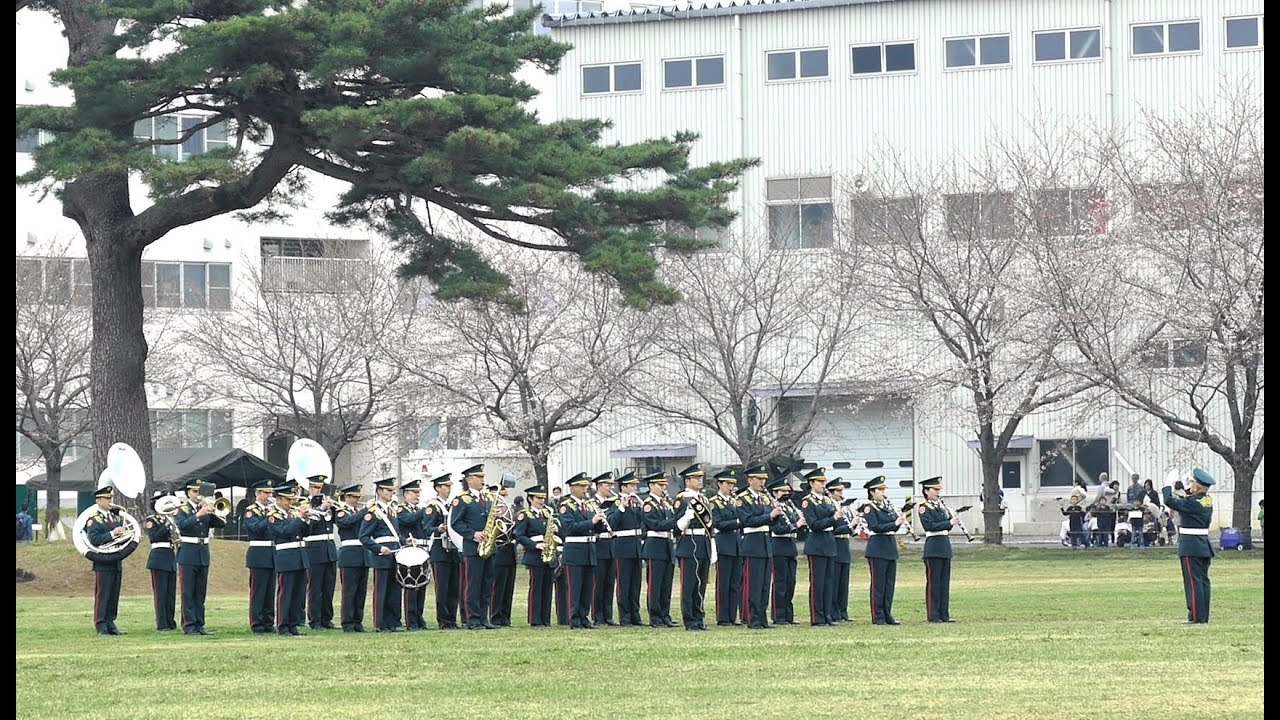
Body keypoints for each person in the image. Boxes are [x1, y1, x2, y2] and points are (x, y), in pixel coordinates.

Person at [173, 478, 225, 636]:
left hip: (203, 552)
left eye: (199, 491)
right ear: (188, 492)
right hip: (188, 552)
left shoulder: (205, 507)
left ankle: (199, 623)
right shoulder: (182, 509)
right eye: (195, 491)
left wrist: (213, 511)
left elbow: (221, 524)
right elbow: (182, 526)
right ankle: (189, 624)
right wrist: (198, 514)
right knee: (188, 591)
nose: (198, 495)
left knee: (200, 592)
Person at [1163, 468, 1215, 624]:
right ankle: (1203, 615)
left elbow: (1169, 501)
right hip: (1203, 545)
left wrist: (1168, 485)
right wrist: (1185, 488)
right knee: (1203, 581)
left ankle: (1196, 616)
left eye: (1191, 483)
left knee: (1193, 582)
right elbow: (1188, 499)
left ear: (1197, 487)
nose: (1189, 485)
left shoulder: (1192, 502)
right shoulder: (1206, 500)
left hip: (1191, 545)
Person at [450, 464, 498, 630]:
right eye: (479, 477)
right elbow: (455, 523)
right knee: (473, 584)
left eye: (483, 477)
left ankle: (484, 618)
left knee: (487, 584)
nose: (483, 480)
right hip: (473, 548)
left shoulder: (490, 498)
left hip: (489, 547)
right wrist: (473, 534)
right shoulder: (462, 499)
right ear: (469, 480)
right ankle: (473, 619)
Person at [738, 464, 781, 629]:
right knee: (752, 585)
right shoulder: (743, 499)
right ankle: (752, 618)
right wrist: (769, 515)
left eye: (764, 479)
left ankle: (762, 617)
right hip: (752, 543)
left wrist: (776, 515)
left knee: (764, 584)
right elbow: (747, 521)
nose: (763, 482)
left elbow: (770, 521)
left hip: (765, 544)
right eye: (759, 479)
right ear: (750, 480)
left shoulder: (764, 498)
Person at [359, 477, 405, 632]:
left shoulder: (392, 510)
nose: (391, 492)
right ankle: (380, 622)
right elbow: (363, 537)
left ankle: (393, 621)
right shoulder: (373, 512)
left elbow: (397, 535)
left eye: (392, 490)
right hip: (382, 555)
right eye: (388, 490)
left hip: (395, 553)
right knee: (382, 589)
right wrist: (378, 549)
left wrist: (407, 542)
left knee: (394, 589)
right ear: (379, 491)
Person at [557, 472, 602, 629]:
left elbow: (596, 527)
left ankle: (584, 616)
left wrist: (601, 521)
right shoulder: (566, 507)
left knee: (587, 587)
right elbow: (569, 528)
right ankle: (574, 618)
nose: (585, 489)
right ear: (573, 488)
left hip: (589, 549)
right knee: (575, 587)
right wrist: (592, 521)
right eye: (582, 486)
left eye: (586, 486)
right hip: (575, 550)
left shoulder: (589, 505)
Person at [672, 463, 713, 631]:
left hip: (703, 542)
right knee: (689, 584)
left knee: (701, 584)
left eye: (701, 478)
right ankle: (689, 619)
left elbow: (710, 524)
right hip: (689, 543)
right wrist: (687, 517)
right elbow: (677, 526)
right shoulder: (683, 499)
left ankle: (699, 616)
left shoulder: (703, 499)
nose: (700, 480)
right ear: (687, 481)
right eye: (696, 478)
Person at [269, 480, 310, 636]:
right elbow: (285, 532)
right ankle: (283, 625)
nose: (290, 502)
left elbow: (305, 533)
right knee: (285, 592)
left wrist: (306, 520)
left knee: (298, 593)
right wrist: (300, 519)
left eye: (292, 499)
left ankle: (293, 624)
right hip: (286, 556)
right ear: (278, 499)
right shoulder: (273, 516)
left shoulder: (292, 514)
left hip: (300, 555)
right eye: (287, 499)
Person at [863, 475, 904, 625]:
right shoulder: (869, 508)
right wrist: (894, 524)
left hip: (889, 546)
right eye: (880, 489)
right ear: (872, 492)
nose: (883, 492)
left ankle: (887, 613)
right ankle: (878, 615)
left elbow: (892, 525)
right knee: (878, 584)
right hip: (877, 547)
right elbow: (875, 526)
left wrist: (898, 523)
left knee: (889, 584)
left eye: (884, 489)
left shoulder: (887, 506)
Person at [85, 485, 126, 635]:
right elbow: (94, 539)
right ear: (99, 500)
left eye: (111, 498)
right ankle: (100, 623)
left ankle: (110, 622)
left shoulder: (115, 517)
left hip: (116, 560)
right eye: (107, 499)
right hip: (103, 561)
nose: (110, 501)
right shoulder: (94, 519)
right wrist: (112, 533)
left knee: (114, 594)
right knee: (103, 594)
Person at [423, 473, 461, 630]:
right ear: (438, 488)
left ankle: (452, 618)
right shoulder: (433, 506)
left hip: (453, 549)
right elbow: (426, 528)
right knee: (442, 588)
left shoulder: (452, 504)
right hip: (440, 549)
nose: (448, 489)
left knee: (454, 587)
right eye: (445, 486)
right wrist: (438, 529)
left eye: (450, 486)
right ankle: (444, 620)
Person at [606, 471, 645, 626]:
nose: (635, 487)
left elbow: (644, 520)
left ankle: (635, 614)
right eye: (632, 485)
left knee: (636, 584)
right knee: (624, 583)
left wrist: (641, 504)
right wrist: (622, 507)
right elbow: (611, 523)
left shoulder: (636, 502)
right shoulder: (615, 503)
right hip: (622, 547)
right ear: (624, 487)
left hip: (636, 547)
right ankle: (625, 616)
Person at [917, 476, 957, 623]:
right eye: (935, 490)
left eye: (939, 489)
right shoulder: (924, 507)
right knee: (934, 583)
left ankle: (944, 614)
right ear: (927, 491)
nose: (938, 492)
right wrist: (949, 522)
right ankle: (933, 615)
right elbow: (930, 526)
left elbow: (945, 525)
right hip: (933, 546)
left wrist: (951, 521)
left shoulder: (941, 506)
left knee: (944, 583)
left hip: (944, 545)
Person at [801, 467, 837, 626]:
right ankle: (817, 616)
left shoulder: (828, 500)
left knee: (829, 582)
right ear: (812, 483)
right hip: (817, 543)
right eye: (820, 482)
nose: (824, 484)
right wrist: (832, 519)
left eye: (824, 481)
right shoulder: (807, 501)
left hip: (829, 542)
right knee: (818, 582)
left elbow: (834, 521)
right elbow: (814, 524)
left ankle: (827, 614)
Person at [641, 470, 678, 628]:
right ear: (651, 486)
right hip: (655, 545)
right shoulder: (649, 504)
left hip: (667, 545)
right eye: (661, 485)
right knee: (655, 584)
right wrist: (675, 523)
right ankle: (655, 616)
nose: (664, 488)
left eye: (665, 485)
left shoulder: (666, 503)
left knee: (666, 583)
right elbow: (654, 524)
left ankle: (665, 614)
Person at [514, 484, 554, 627]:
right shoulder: (525, 514)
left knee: (548, 587)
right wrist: (535, 545)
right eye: (538, 498)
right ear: (530, 499)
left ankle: (545, 619)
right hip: (535, 554)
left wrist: (556, 529)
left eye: (543, 498)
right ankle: (535, 619)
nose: (542, 500)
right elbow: (519, 536)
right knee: (536, 587)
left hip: (548, 553)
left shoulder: (548, 514)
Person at [303, 476, 338, 631]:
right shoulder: (304, 504)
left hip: (329, 549)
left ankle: (326, 618)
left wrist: (334, 507)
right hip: (314, 550)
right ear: (310, 488)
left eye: (320, 487)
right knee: (315, 588)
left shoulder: (327, 504)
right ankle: (315, 620)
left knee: (328, 587)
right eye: (315, 487)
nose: (318, 490)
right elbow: (309, 525)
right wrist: (321, 509)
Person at [768, 477, 805, 625]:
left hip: (790, 545)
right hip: (779, 545)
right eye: (783, 491)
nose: (787, 494)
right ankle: (779, 615)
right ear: (775, 493)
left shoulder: (789, 507)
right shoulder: (773, 507)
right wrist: (796, 524)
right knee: (780, 582)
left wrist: (800, 524)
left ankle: (788, 615)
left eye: (788, 491)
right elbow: (777, 528)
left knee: (791, 582)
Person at [242, 479, 277, 634]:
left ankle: (268, 622)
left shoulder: (273, 510)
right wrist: (268, 517)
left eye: (270, 492)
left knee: (270, 591)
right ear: (257, 494)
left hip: (272, 553)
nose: (269, 495)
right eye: (266, 492)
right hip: (258, 553)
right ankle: (257, 623)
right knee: (258, 591)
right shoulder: (251, 511)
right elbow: (255, 529)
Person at [332, 483, 368, 632]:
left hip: (363, 553)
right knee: (349, 590)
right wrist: (365, 510)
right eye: (354, 497)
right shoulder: (341, 511)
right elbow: (346, 522)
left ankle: (357, 621)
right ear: (346, 497)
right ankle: (347, 622)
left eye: (359, 497)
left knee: (361, 591)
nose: (357, 500)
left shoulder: (358, 511)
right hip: (349, 553)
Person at [709, 468, 743, 626]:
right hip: (724, 544)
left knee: (735, 582)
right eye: (728, 484)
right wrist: (736, 522)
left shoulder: (734, 501)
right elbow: (718, 523)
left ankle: (732, 615)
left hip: (736, 544)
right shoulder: (715, 502)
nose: (731, 487)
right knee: (723, 582)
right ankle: (722, 617)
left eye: (732, 484)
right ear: (719, 484)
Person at [395, 479, 430, 631]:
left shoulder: (418, 510)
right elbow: (409, 520)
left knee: (421, 585)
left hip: (421, 549)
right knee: (411, 585)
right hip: (408, 551)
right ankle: (411, 620)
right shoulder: (401, 509)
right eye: (414, 493)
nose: (417, 495)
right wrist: (424, 510)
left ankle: (419, 617)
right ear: (406, 494)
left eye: (418, 493)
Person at [143, 490, 178, 631]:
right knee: (160, 592)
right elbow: (154, 536)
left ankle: (170, 621)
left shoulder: (171, 519)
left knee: (170, 593)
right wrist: (167, 524)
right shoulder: (152, 520)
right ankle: (162, 623)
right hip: (158, 557)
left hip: (170, 556)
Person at [589, 472, 617, 627]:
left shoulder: (612, 503)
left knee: (609, 583)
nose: (610, 488)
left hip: (610, 546)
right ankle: (597, 616)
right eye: (608, 485)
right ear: (599, 486)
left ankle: (608, 615)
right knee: (598, 583)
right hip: (598, 544)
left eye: (611, 485)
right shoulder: (592, 503)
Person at [490, 482, 518, 628]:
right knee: (498, 587)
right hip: (498, 548)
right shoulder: (492, 509)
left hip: (509, 550)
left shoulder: (510, 509)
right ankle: (495, 617)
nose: (502, 498)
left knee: (508, 586)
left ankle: (506, 617)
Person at [828, 478, 854, 623]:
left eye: (842, 490)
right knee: (835, 580)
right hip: (836, 542)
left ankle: (843, 611)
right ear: (831, 492)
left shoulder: (844, 507)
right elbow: (835, 529)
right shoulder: (831, 507)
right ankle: (834, 611)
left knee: (844, 581)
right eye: (838, 491)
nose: (841, 493)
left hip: (845, 543)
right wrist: (851, 526)